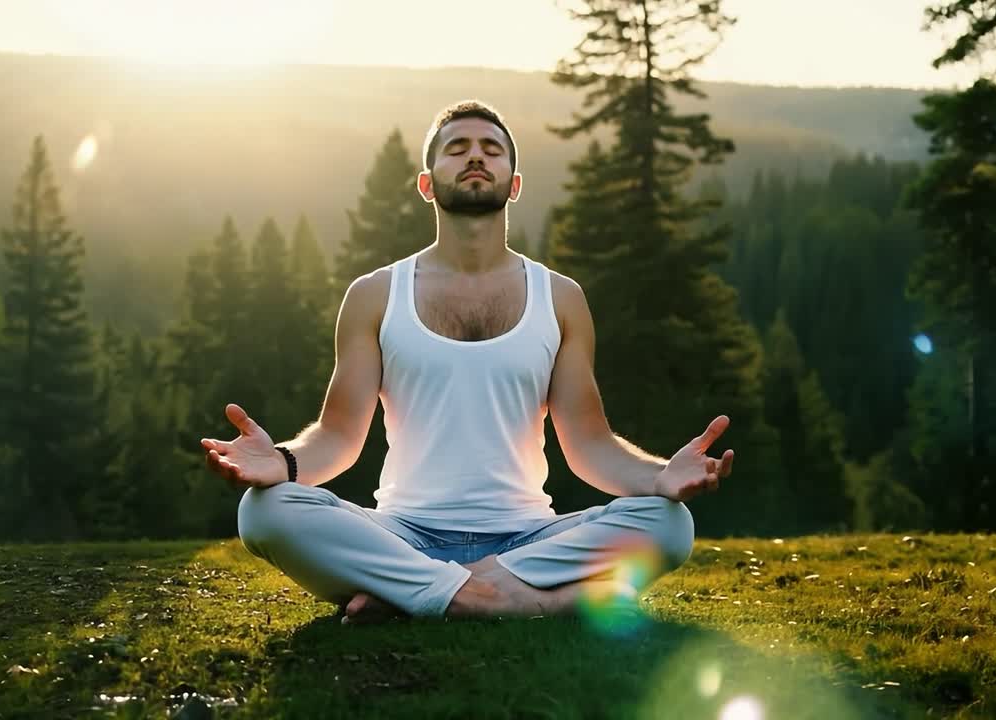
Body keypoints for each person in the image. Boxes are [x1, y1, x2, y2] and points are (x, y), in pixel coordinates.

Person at [200, 100, 734, 623]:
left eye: (491, 149)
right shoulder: (375, 294)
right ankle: (524, 601)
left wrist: (662, 476)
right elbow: (338, 437)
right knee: (264, 511)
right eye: (457, 148)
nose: (475, 156)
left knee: (669, 524)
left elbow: (590, 446)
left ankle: (419, 592)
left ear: (514, 183)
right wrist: (284, 463)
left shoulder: (561, 298)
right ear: (427, 184)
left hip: (528, 538)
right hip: (402, 535)